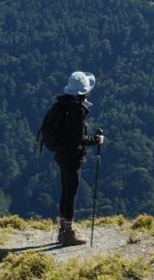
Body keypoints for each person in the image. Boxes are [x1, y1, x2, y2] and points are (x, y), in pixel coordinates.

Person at [50, 71, 105, 245]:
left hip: (60, 154)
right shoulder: (77, 110)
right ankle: (68, 233)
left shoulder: (62, 105)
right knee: (71, 192)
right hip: (71, 157)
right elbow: (78, 139)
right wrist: (97, 140)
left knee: (66, 190)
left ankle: (63, 229)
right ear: (84, 92)